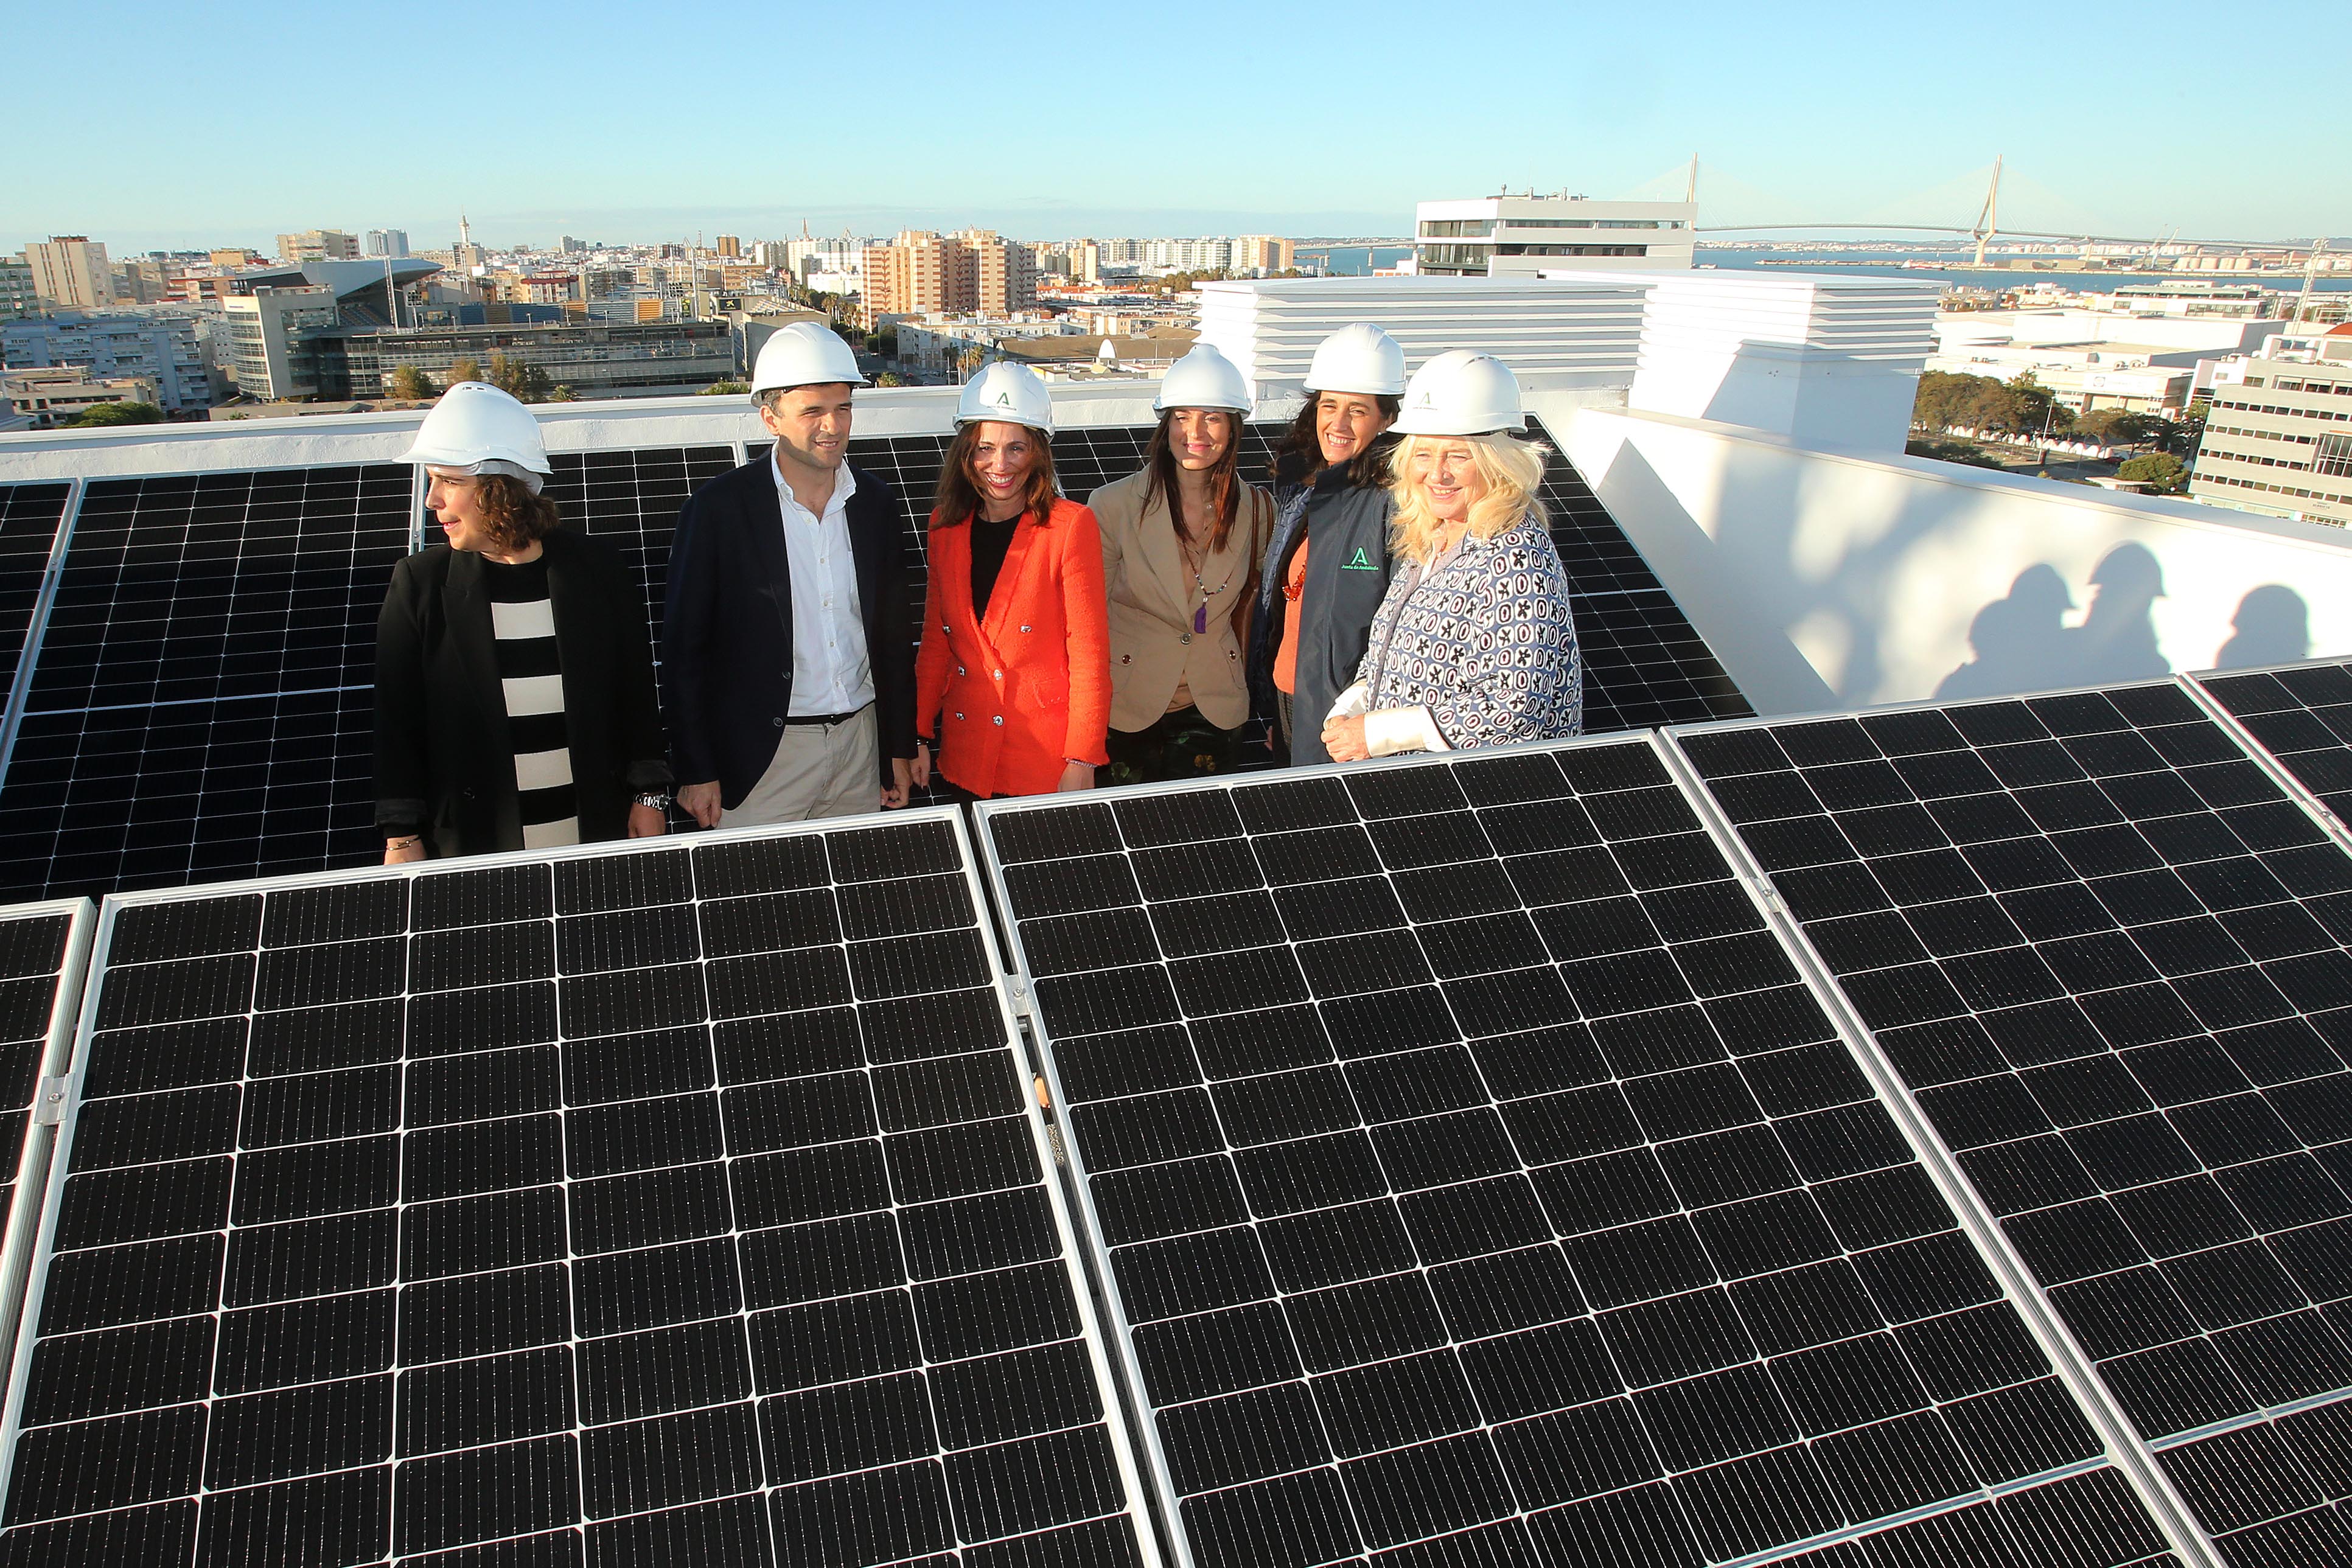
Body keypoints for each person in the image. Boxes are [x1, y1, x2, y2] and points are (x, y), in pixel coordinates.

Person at [375, 382, 671, 862]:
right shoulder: (420, 583)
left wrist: (650, 796)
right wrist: (401, 836)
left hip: (595, 832)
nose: (431, 499)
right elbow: (397, 723)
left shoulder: (597, 570)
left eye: (449, 481)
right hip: (479, 847)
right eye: (432, 480)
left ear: (500, 488)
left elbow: (636, 695)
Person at [661, 322, 918, 826]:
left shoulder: (875, 503)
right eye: (812, 411)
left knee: (852, 877)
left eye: (843, 407)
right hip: (764, 758)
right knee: (760, 881)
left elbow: (892, 638)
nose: (833, 426)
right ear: (770, 418)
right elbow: (684, 651)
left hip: (860, 749)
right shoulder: (718, 509)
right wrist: (697, 768)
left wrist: (899, 745)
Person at [1323, 350, 1581, 760]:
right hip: (1427, 783)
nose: (1437, 474)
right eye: (1423, 454)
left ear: (1497, 462)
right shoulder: (1431, 539)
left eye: (1458, 456)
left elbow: (1514, 707)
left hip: (1487, 790)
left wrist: (1377, 733)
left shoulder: (1515, 558)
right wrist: (1353, 704)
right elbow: (1391, 651)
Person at [913, 361, 1109, 800]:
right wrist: (919, 734)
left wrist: (1082, 760)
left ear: (1037, 452)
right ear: (966, 452)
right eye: (985, 448)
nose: (999, 464)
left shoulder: (1070, 526)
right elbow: (936, 642)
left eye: (1016, 448)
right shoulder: (944, 527)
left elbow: (1089, 654)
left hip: (1042, 763)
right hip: (965, 755)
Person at [1091, 345, 1273, 785]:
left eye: (1212, 417)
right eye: (1182, 416)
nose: (1195, 432)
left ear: (1233, 427)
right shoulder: (1112, 505)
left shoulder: (1259, 510)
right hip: (1127, 703)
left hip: (1214, 705)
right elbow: (1088, 617)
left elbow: (1265, 610)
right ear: (1165, 424)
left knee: (1198, 824)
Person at [1245, 322, 1405, 766]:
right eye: (1329, 405)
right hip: (1289, 698)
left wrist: (1364, 723)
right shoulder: (1304, 489)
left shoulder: (1395, 503)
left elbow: (1397, 628)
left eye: (1358, 410)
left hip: (1345, 717)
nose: (1338, 423)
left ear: (1387, 419)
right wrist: (1277, 709)